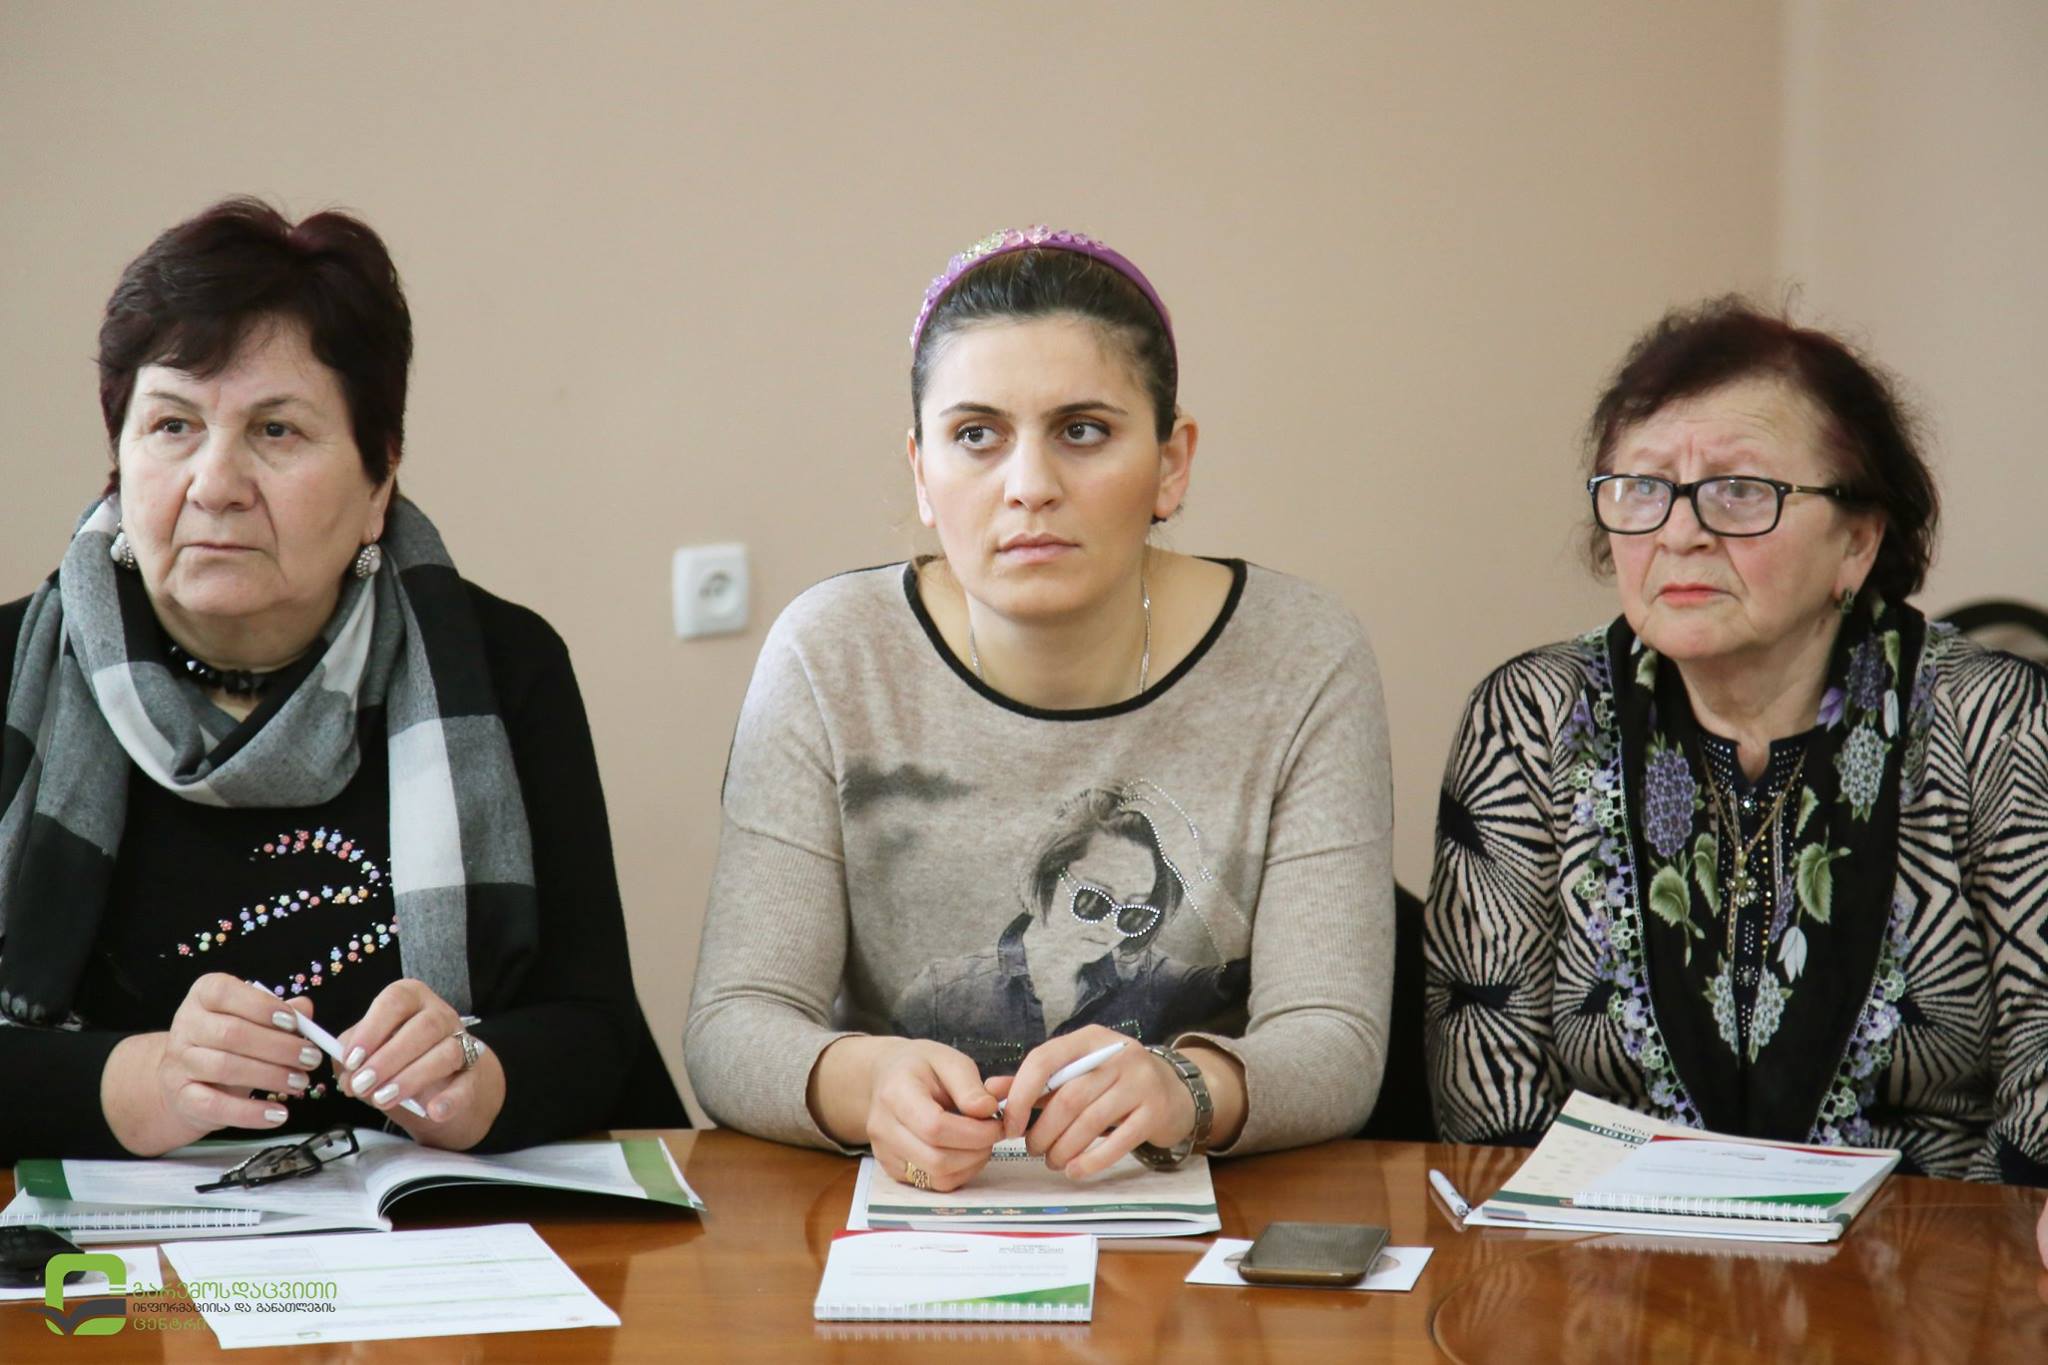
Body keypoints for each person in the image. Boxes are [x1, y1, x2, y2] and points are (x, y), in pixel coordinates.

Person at [686, 227, 1393, 1192]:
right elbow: (732, 1021)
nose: (1029, 487)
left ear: (1172, 463)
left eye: (1083, 431)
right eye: (976, 436)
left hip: (1203, 1224)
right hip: (915, 1219)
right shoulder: (829, 654)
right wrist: (866, 1082)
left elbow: (1337, 1041)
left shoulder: (1304, 655)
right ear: (922, 471)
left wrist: (1189, 1086)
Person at [0, 198, 681, 1161]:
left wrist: (476, 1078)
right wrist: (143, 1082)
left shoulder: (503, 666)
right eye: (172, 424)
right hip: (116, 1251)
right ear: (119, 456)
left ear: (379, 481)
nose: (215, 483)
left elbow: (596, 1028)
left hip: (433, 1228)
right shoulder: (13, 674)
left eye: (276, 430)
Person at [1424, 297, 2048, 1185]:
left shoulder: (1996, 722)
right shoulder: (1533, 718)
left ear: (1858, 541)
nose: (1679, 532)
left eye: (1740, 490)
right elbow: (1487, 1110)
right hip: (1602, 1253)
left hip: (1930, 1255)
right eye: (1643, 488)